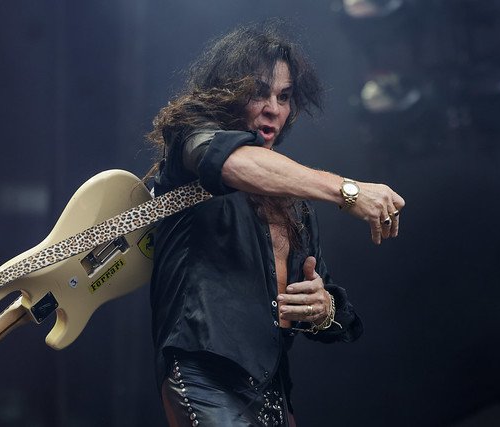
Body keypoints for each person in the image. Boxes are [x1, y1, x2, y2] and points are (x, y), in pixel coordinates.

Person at [145, 21, 405, 426]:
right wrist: (348, 191)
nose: (274, 108)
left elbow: (336, 315)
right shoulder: (190, 138)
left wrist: (323, 307)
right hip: (206, 375)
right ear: (227, 91)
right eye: (258, 92)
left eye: (284, 96)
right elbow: (232, 162)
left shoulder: (294, 200)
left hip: (274, 390)